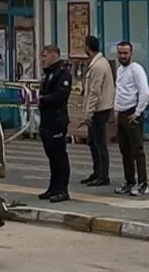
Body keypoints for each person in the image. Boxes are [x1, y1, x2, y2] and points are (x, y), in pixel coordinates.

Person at [112, 41, 149, 196]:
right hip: (121, 113)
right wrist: (116, 111)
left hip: (132, 114)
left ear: (131, 54)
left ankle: (143, 183)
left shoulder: (136, 69)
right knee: (124, 150)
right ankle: (129, 181)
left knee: (137, 150)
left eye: (125, 53)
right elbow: (119, 91)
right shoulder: (120, 70)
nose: (122, 56)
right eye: (120, 53)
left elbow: (145, 92)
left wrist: (137, 112)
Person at [37, 45, 73, 203]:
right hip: (47, 120)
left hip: (57, 120)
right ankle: (53, 187)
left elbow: (62, 94)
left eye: (45, 56)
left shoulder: (62, 73)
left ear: (53, 56)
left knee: (59, 155)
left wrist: (44, 100)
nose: (43, 59)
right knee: (51, 155)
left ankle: (62, 189)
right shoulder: (49, 73)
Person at [80, 36, 115, 187]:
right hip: (99, 109)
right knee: (92, 142)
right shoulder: (98, 63)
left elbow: (95, 92)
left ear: (87, 47)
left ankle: (103, 175)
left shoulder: (98, 66)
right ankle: (97, 171)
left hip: (99, 110)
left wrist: (88, 113)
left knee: (99, 143)